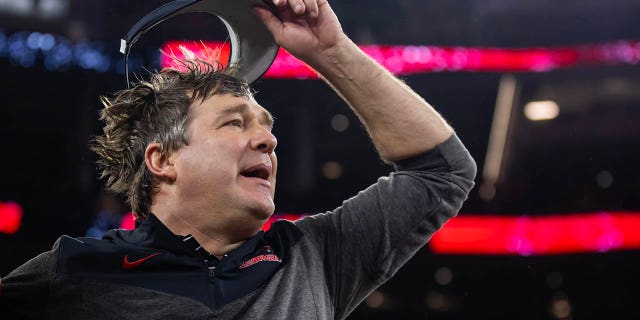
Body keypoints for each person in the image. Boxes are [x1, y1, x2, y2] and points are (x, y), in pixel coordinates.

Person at [0, 0, 476, 319]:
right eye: (235, 123)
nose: (268, 141)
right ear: (162, 159)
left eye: (268, 126)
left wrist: (331, 50)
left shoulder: (316, 256)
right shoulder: (75, 271)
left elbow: (441, 171)